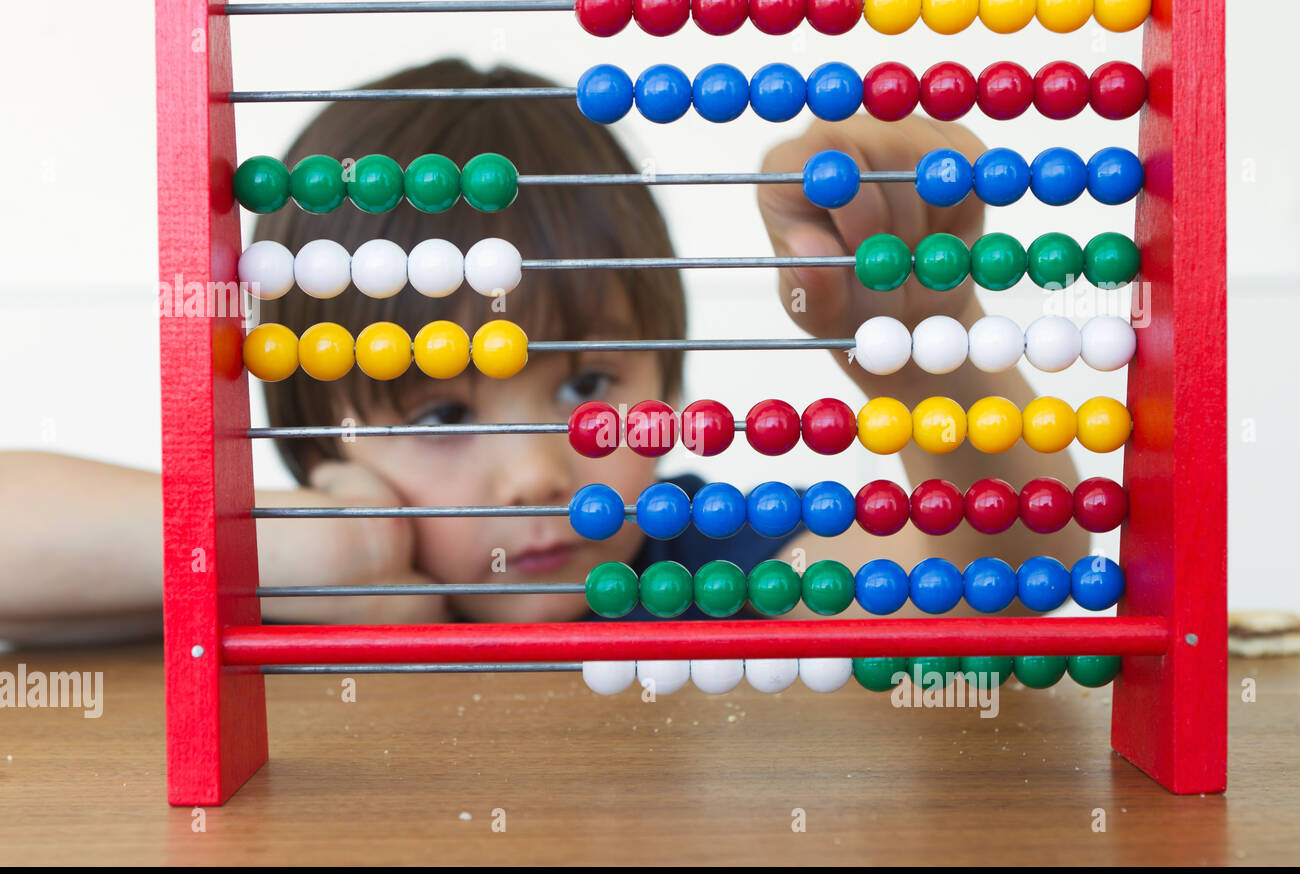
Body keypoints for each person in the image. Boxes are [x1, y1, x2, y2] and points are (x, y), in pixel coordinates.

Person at [0, 58, 1085, 646]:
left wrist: (914, 353)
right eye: (440, 416)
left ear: (667, 371)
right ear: (318, 431)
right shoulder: (287, 585)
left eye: (588, 383)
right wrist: (310, 558)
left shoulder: (704, 561)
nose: (536, 473)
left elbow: (999, 583)